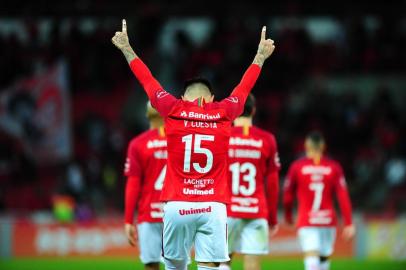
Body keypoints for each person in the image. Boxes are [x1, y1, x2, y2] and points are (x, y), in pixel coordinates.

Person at [112, 19, 275, 270]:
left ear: (182, 97)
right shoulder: (224, 111)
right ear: (210, 98)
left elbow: (148, 81)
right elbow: (244, 88)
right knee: (210, 265)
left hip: (177, 206)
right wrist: (260, 57)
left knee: (175, 266)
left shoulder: (172, 108)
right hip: (213, 206)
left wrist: (126, 49)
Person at [220, 94, 280, 270]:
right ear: (253, 110)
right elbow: (273, 183)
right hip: (256, 210)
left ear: (234, 110)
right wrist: (273, 217)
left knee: (222, 261)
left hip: (227, 210)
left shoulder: (223, 135)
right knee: (253, 264)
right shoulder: (267, 139)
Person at [283, 132, 356, 270]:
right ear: (323, 146)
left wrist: (288, 216)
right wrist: (348, 223)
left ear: (306, 145)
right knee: (323, 259)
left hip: (307, 219)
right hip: (327, 221)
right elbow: (343, 196)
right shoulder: (334, 167)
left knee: (311, 255)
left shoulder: (297, 167)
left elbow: (287, 195)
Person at [124, 102, 167, 270]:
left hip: (149, 214)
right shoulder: (181, 139)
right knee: (178, 266)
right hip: (177, 213)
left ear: (147, 114)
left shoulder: (138, 144)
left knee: (151, 266)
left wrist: (128, 220)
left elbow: (133, 184)